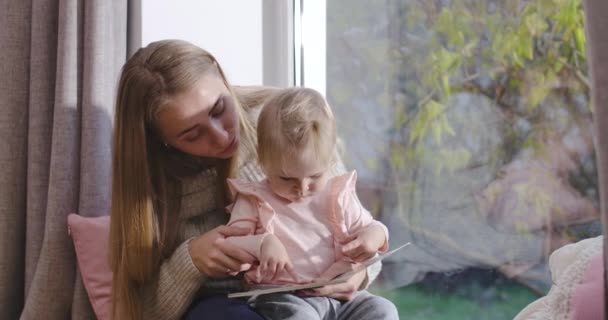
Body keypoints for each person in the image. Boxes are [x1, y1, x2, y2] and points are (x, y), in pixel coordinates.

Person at [108, 39, 383, 320]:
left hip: (315, 292)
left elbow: (354, 225)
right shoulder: (153, 185)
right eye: (192, 135)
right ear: (161, 140)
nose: (221, 136)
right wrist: (190, 261)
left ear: (220, 73)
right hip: (227, 306)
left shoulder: (288, 121)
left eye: (218, 109)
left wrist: (358, 270)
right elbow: (136, 310)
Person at [224, 87, 399, 320]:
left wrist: (374, 237)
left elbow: (373, 227)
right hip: (285, 296)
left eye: (315, 176)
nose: (303, 188)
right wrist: (263, 243)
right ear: (263, 161)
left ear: (330, 160)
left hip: (338, 295)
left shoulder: (338, 195)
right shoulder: (254, 199)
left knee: (383, 310)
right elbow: (231, 245)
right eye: (286, 178)